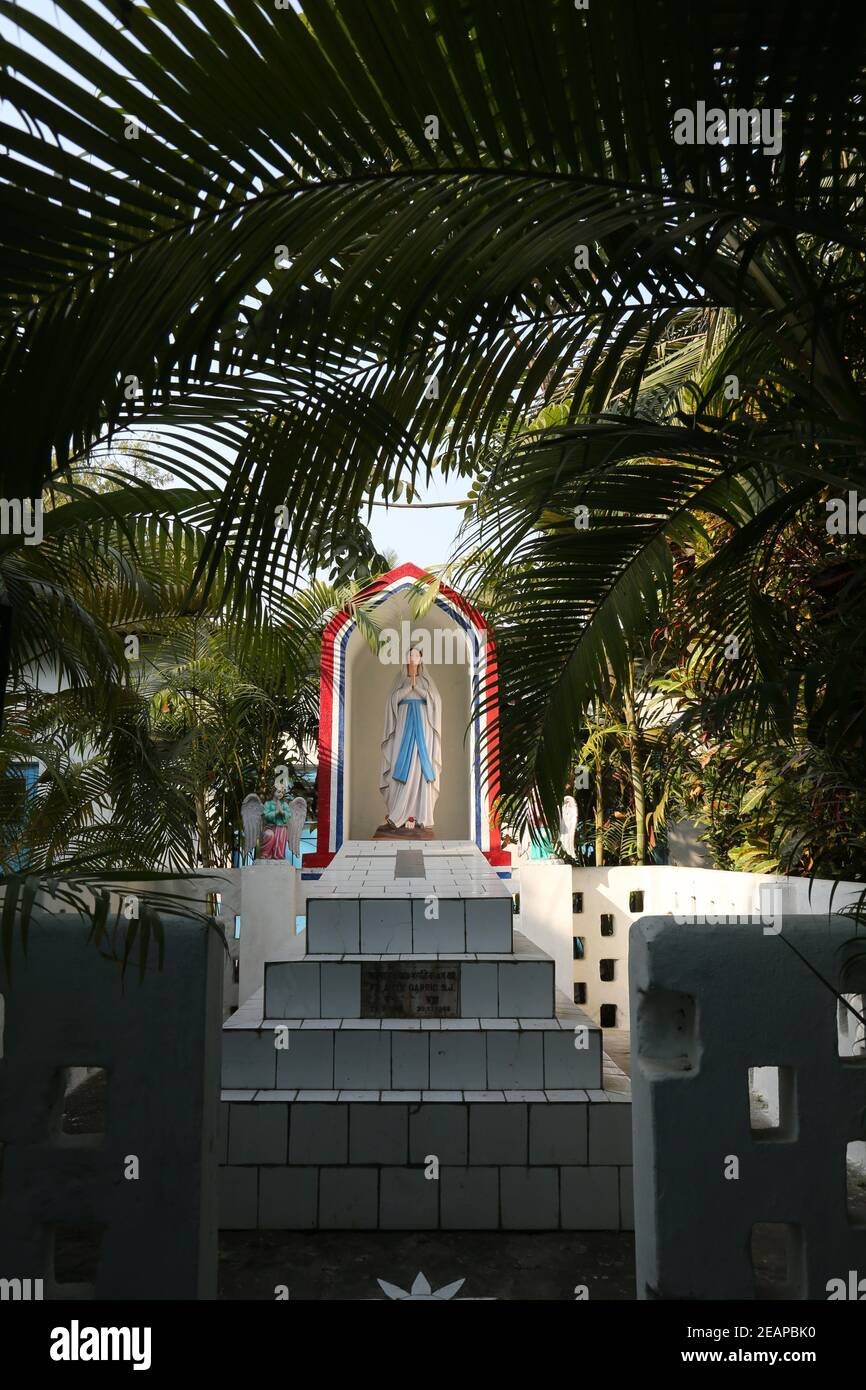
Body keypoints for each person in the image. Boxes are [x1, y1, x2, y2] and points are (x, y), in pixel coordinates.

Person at [378, 647, 442, 831]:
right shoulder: (399, 680)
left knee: (421, 770)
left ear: (421, 659)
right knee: (401, 766)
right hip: (403, 727)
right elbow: (392, 700)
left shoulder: (426, 681)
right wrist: (407, 689)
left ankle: (422, 816)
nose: (413, 658)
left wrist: (419, 690)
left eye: (416, 655)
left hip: (423, 729)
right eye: (410, 655)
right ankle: (398, 814)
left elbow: (436, 701)